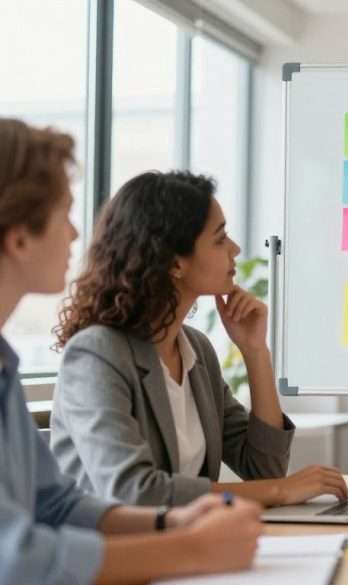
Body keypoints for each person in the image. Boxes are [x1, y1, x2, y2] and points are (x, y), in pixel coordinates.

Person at [0, 117, 262, 585]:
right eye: (64, 214)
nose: (78, 235)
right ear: (19, 239)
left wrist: (170, 523)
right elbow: (16, 559)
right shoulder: (97, 352)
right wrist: (190, 549)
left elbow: (55, 504)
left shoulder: (5, 364)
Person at [50, 170, 348, 507]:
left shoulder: (195, 351)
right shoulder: (97, 354)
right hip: (114, 553)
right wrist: (279, 491)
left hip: (184, 544)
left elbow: (264, 469)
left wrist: (255, 352)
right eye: (220, 239)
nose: (234, 249)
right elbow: (133, 490)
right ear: (175, 263)